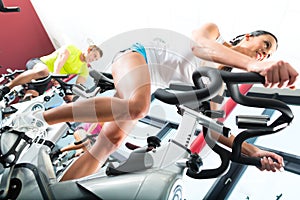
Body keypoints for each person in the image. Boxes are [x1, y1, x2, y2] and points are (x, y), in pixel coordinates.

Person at [12, 22, 298, 181]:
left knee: (109, 142)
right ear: (248, 36)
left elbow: (214, 129)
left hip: (149, 83)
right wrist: (255, 67)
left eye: (268, 54)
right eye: (265, 45)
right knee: (138, 107)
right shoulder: (215, 34)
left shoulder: (218, 85)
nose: (264, 54)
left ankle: (53, 193)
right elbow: (201, 46)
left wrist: (253, 154)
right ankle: (36, 118)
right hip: (138, 56)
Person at [0, 44, 103, 101]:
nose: (93, 60)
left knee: (32, 98)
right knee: (44, 71)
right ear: (89, 50)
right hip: (39, 64)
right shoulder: (72, 49)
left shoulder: (84, 69)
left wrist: (72, 97)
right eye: (94, 56)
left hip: (48, 78)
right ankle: (6, 88)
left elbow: (78, 86)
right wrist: (56, 74)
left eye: (96, 59)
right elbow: (60, 60)